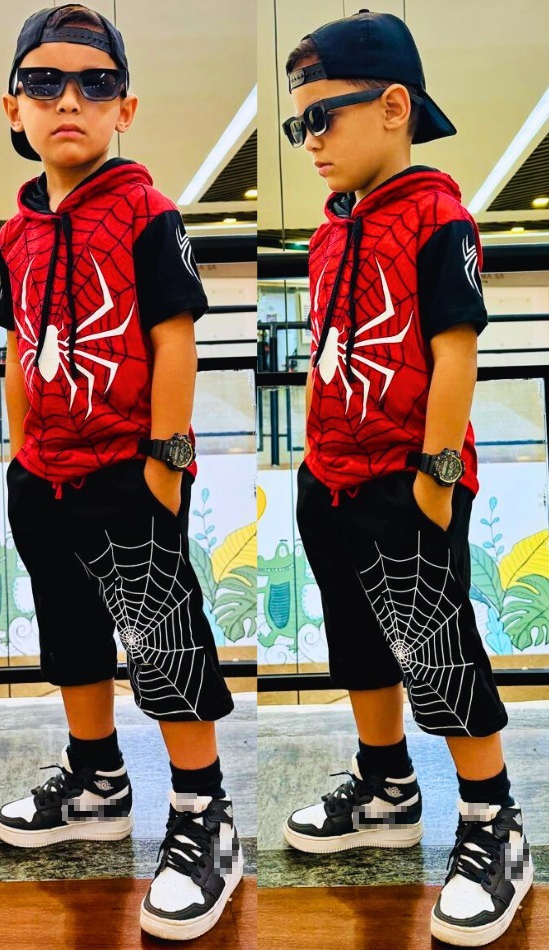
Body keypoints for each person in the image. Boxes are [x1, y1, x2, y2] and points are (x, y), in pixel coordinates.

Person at [280, 10, 531, 946]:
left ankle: (493, 819)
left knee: (439, 646)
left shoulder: (440, 216)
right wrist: (314, 466)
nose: (310, 141)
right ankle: (386, 786)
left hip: (407, 478)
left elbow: (455, 347)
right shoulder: (331, 229)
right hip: (332, 477)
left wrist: (435, 475)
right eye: (299, 124)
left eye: (323, 118)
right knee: (356, 639)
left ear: (394, 107)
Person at [0, 4, 240, 941]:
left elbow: (174, 340)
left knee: (165, 638)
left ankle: (204, 808)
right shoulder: (12, 234)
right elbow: (17, 346)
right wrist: (22, 452)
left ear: (125, 108)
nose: (69, 101)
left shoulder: (148, 212)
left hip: (131, 469)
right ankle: (97, 780)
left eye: (95, 85)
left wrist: (164, 466)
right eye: (45, 82)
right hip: (45, 473)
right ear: (15, 106)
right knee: (70, 633)